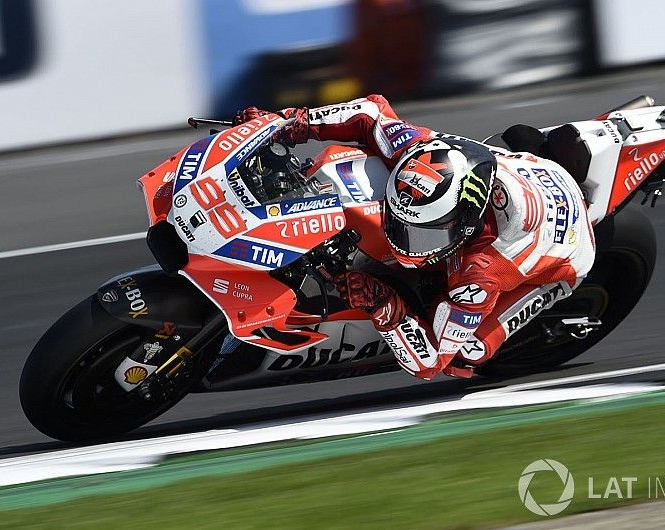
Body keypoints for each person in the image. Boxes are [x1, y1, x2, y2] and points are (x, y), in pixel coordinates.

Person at [233, 95, 595, 380]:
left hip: (565, 254)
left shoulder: (481, 273)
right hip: (529, 171)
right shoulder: (420, 152)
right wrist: (292, 123)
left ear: (464, 227)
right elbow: (371, 112)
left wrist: (383, 303)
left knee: (469, 353)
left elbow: (431, 362)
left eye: (422, 234)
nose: (404, 242)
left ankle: (540, 300)